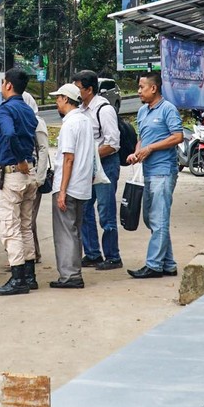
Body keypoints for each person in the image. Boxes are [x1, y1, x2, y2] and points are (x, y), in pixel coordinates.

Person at [126, 72, 183, 279]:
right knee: (151, 219)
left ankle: (154, 265)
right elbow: (142, 138)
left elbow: (178, 136)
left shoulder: (168, 109)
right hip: (147, 172)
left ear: (153, 88)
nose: (138, 91)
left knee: (158, 219)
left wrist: (151, 148)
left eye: (142, 87)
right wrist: (136, 152)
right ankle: (168, 264)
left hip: (164, 171)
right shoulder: (142, 111)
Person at [0, 66, 38, 296]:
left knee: (9, 227)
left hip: (12, 174)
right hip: (28, 175)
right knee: (25, 226)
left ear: (8, 85)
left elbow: (9, 134)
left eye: (3, 83)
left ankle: (18, 278)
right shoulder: (28, 110)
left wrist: (19, 159)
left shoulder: (5, 110)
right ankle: (30, 276)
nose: (2, 87)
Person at [73, 70, 123, 271]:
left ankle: (113, 256)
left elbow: (113, 144)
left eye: (78, 88)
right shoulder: (81, 110)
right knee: (85, 209)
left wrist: (89, 156)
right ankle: (93, 253)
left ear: (89, 89)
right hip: (89, 167)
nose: (76, 92)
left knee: (105, 210)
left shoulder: (104, 109)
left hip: (106, 165)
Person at [48, 82, 94, 289]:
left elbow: (68, 158)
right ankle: (74, 272)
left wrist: (62, 191)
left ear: (66, 99)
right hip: (82, 186)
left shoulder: (69, 124)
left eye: (58, 98)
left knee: (65, 232)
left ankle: (69, 275)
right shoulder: (85, 121)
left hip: (68, 185)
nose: (56, 102)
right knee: (75, 230)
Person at [23, 91, 50, 262]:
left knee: (29, 219)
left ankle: (32, 254)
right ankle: (31, 253)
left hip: (34, 176)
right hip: (22, 175)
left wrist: (39, 178)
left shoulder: (37, 122)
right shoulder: (20, 120)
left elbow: (43, 149)